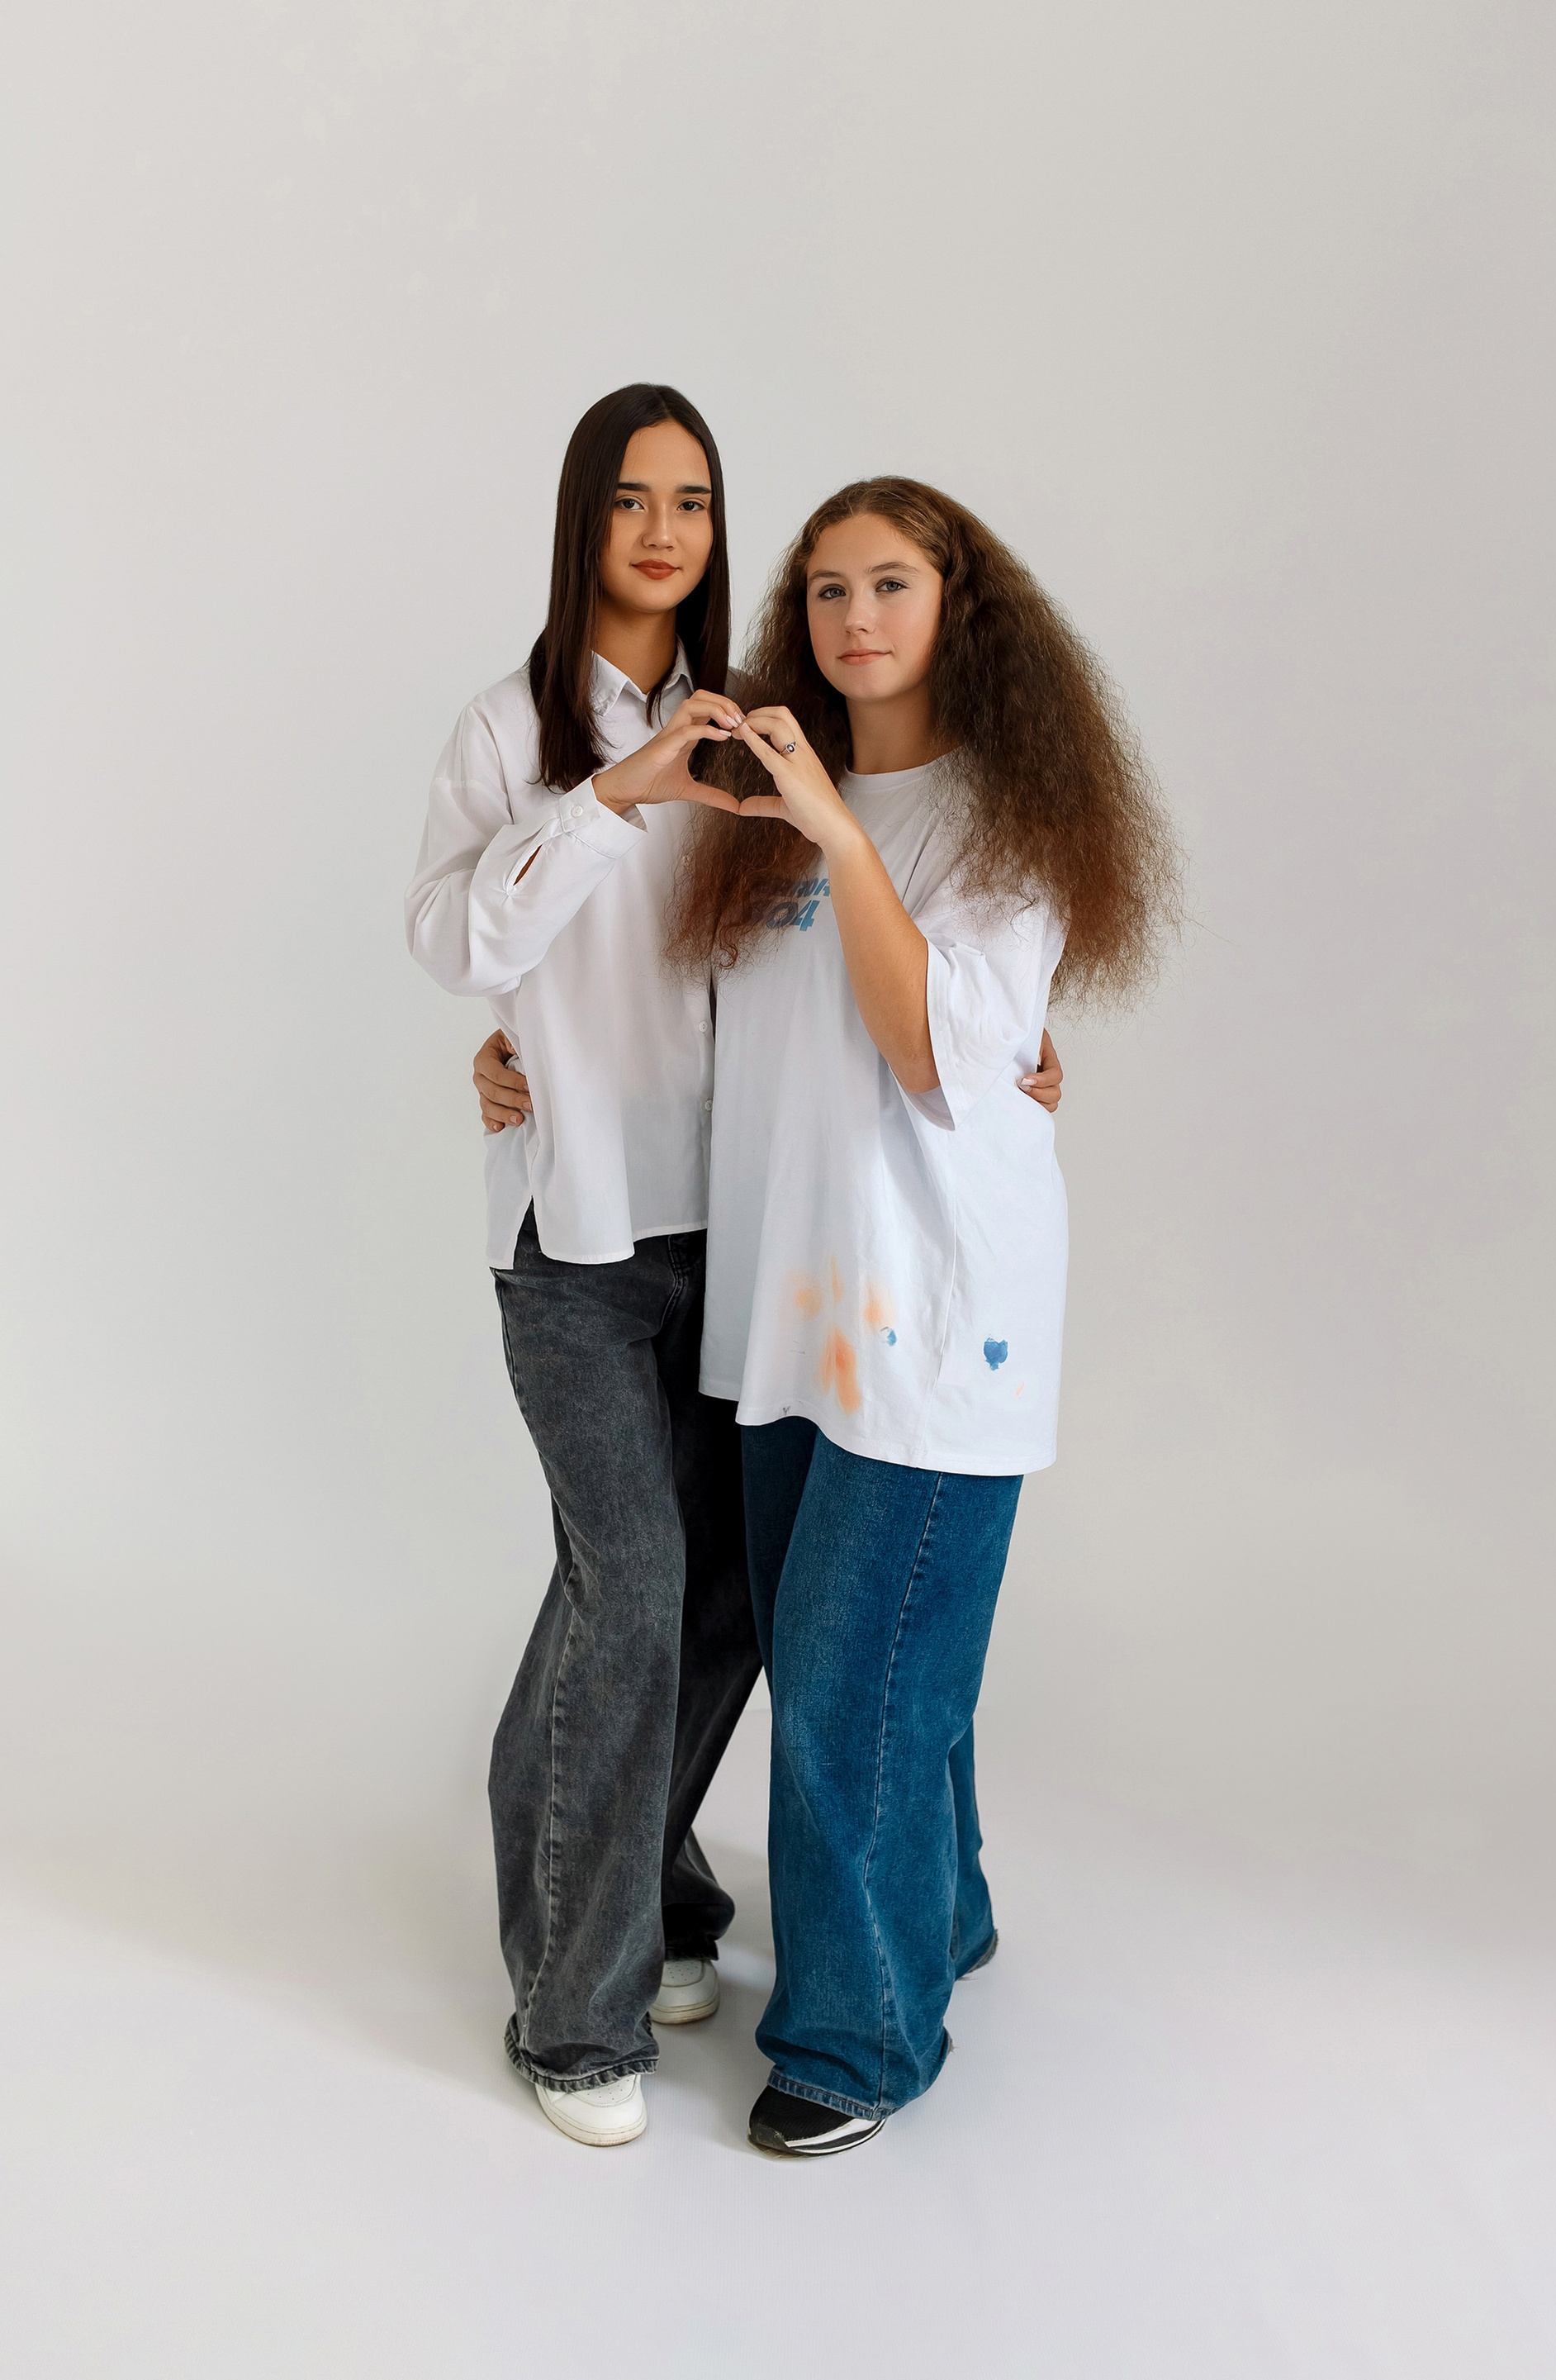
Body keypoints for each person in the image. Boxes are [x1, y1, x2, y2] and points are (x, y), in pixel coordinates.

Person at [663, 477, 1179, 2156]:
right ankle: (937, 1913)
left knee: (847, 1688)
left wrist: (837, 830)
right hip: (790, 1315)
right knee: (880, 1669)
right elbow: (717, 1039)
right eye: (825, 589)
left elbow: (925, 1049)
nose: (853, 617)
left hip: (946, 1319)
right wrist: (514, 1051)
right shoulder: (757, 807)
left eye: (889, 583)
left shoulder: (1004, 816)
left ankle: (857, 2037)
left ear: (961, 606)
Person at [405, 383, 765, 2150]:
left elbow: (822, 940)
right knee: (631, 1582)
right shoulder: (507, 727)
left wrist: (1010, 1041)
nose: (663, 529)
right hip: (576, 1236)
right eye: (632, 498)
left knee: (720, 1591)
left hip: (742, 1226)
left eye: (691, 500)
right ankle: (574, 2008)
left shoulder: (753, 725)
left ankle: (655, 1889)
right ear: (585, 518)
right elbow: (455, 938)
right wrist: (618, 790)